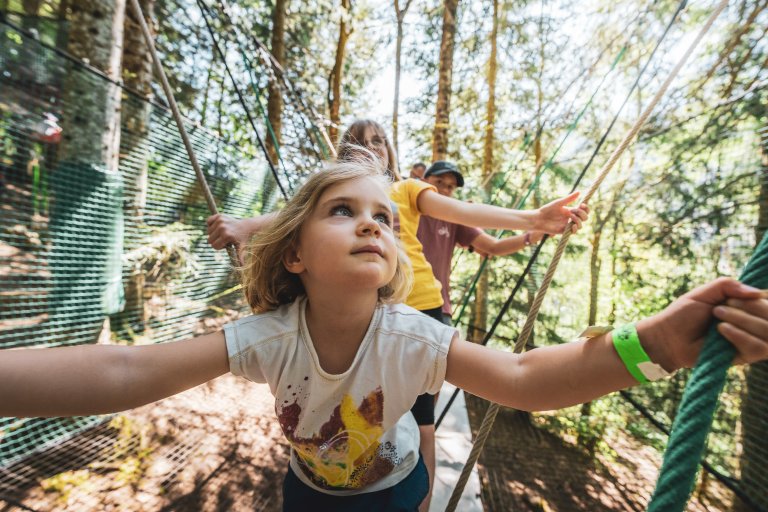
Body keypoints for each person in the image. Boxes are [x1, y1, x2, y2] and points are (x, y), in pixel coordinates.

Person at [2, 159, 767, 512]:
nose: (373, 222)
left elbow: (526, 377)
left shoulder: (415, 338)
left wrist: (657, 346)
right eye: (343, 212)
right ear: (295, 254)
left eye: (384, 218)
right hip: (304, 493)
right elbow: (126, 372)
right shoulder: (268, 336)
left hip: (396, 494)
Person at [207, 119, 590, 511]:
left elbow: (462, 211)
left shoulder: (405, 189)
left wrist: (532, 221)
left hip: (420, 309)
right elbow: (297, 217)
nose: (371, 148)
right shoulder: (342, 200)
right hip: (364, 309)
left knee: (423, 422)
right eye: (359, 143)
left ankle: (417, 500)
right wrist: (246, 226)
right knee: (355, 412)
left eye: (378, 141)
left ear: (390, 151)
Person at [417, 160, 545, 325]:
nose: (444, 189)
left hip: (439, 306)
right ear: (424, 181)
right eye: (439, 182)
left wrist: (530, 237)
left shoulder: (455, 218)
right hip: (404, 301)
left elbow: (493, 247)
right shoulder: (407, 208)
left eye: (450, 187)